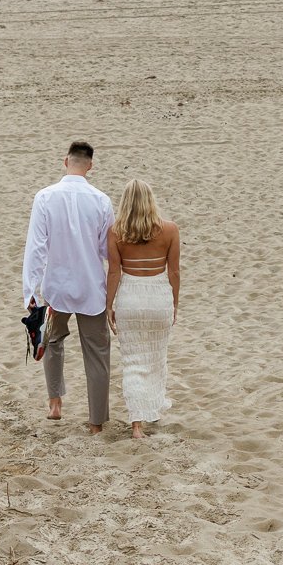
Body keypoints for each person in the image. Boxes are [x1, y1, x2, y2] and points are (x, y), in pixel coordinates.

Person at [21, 141, 116, 432]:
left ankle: (55, 402)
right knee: (97, 352)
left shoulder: (45, 197)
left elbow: (35, 246)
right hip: (91, 285)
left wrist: (30, 290)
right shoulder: (101, 200)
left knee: (52, 342)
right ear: (90, 166)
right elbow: (107, 250)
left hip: (57, 285)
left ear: (65, 161)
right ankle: (96, 421)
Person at [104, 178, 180, 440]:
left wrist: (108, 305)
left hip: (130, 297)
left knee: (133, 362)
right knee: (156, 359)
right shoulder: (170, 230)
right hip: (158, 296)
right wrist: (175, 302)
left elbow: (114, 272)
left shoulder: (116, 232)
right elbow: (174, 271)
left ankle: (137, 424)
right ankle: (152, 411)